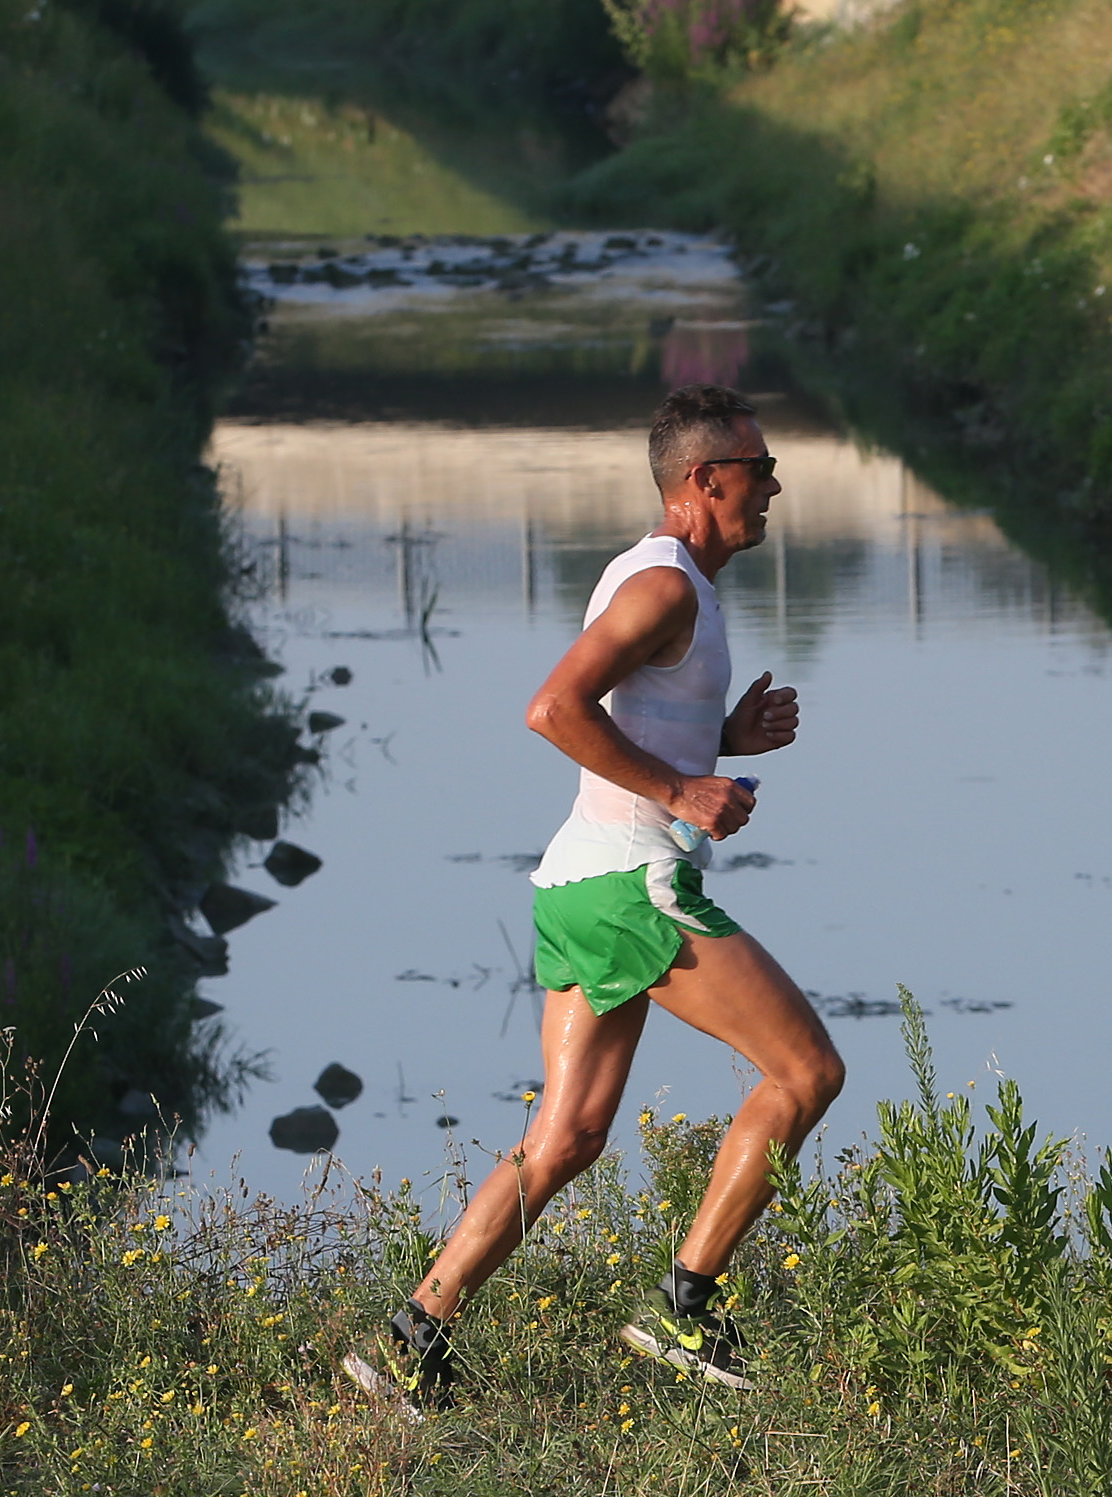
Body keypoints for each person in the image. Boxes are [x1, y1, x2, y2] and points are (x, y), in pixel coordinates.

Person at [351, 383, 845, 1406]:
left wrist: (722, 743)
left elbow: (628, 713)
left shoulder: (670, 581)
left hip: (574, 882)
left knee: (567, 1135)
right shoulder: (664, 586)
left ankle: (413, 1340)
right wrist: (683, 791)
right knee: (805, 1074)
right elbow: (553, 707)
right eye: (759, 468)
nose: (776, 484)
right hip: (631, 884)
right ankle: (685, 1309)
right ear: (705, 480)